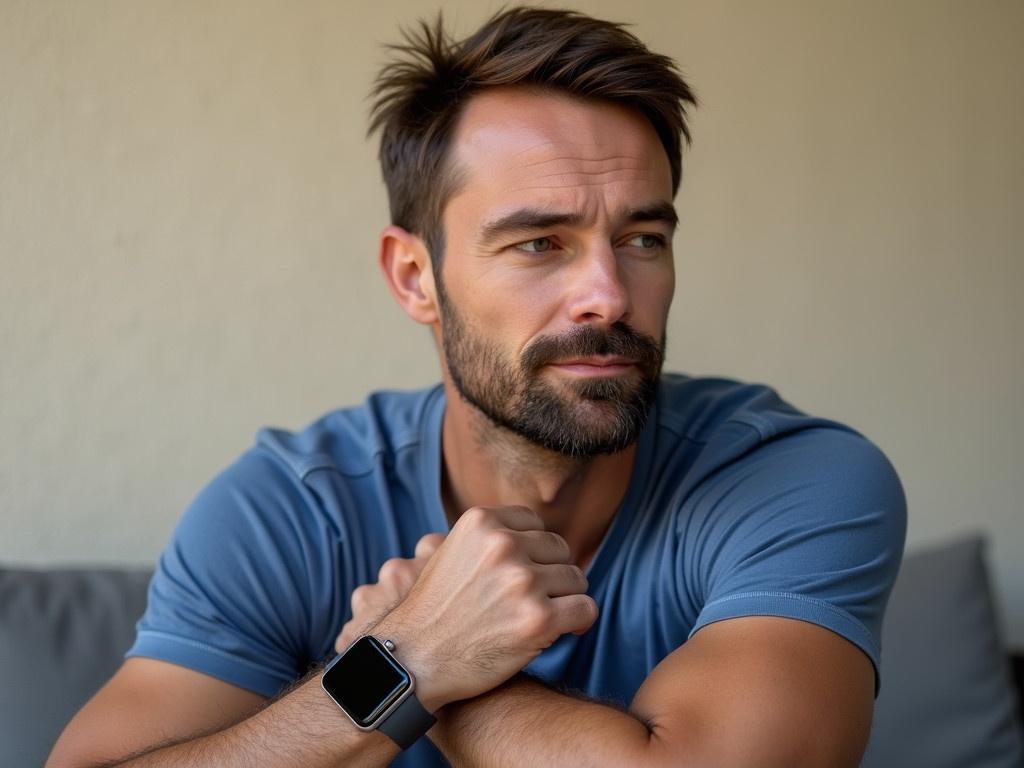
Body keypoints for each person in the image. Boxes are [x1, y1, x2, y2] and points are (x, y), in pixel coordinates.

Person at [48, 7, 906, 768]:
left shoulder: (794, 479)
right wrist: (414, 652)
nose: (608, 293)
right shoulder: (294, 508)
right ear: (416, 276)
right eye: (540, 243)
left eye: (643, 237)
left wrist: (417, 669)